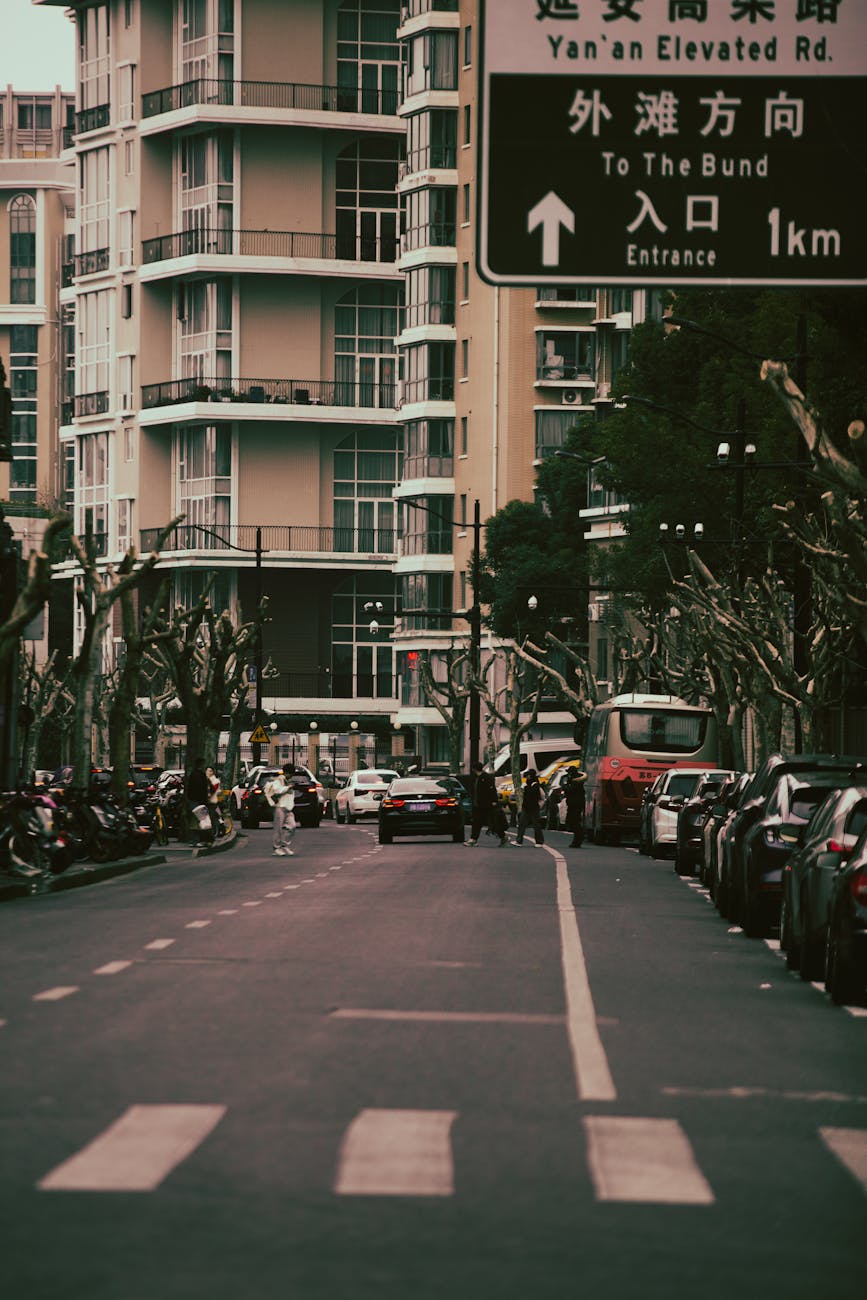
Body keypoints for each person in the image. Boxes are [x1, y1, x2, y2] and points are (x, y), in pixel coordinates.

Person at [466, 760, 507, 847]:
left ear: (474, 769)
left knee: (492, 822)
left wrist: (494, 801)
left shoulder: (486, 777)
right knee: (476, 822)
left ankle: (503, 836)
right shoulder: (475, 778)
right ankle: (474, 839)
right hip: (477, 804)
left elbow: (492, 790)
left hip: (486, 804)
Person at [267, 763, 297, 856]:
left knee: (292, 826)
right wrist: (288, 787)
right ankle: (276, 848)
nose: (292, 776)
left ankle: (285, 845)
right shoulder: (279, 780)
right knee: (278, 829)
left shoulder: (288, 781)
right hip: (280, 807)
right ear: (286, 772)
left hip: (288, 808)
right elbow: (277, 790)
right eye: (291, 774)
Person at [516, 769, 545, 846]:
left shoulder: (535, 785)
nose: (527, 777)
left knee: (536, 825)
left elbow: (538, 796)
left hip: (533, 807)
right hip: (526, 807)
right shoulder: (526, 784)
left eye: (528, 775)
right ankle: (519, 840)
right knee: (522, 823)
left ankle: (539, 841)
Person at [185, 757, 210, 840]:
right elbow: (201, 789)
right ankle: (198, 839)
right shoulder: (200, 775)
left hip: (194, 800)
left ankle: (196, 839)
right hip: (199, 801)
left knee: (196, 821)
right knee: (201, 820)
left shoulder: (193, 774)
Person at [564, 768, 588, 847]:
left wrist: (565, 787)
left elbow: (571, 791)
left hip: (575, 805)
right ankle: (578, 839)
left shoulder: (576, 782)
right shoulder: (574, 781)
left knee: (574, 822)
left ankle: (578, 839)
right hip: (573, 805)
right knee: (572, 822)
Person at [205, 765, 221, 835]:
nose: (209, 772)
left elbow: (212, 791)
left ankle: (213, 832)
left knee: (212, 817)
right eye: (208, 771)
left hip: (212, 801)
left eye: (210, 771)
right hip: (206, 801)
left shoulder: (215, 781)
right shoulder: (205, 779)